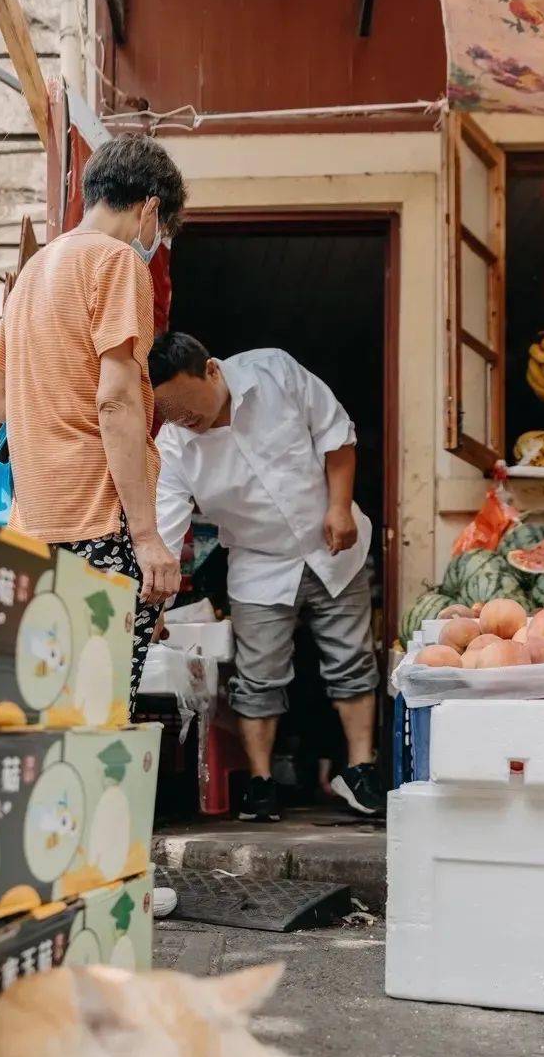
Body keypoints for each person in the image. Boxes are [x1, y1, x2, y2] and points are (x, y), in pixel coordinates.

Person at [0, 135, 187, 711]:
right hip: (97, 521)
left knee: (47, 703)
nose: (155, 244)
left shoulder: (37, 270)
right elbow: (117, 402)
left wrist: (50, 408)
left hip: (33, 524)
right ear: (150, 209)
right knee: (99, 710)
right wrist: (146, 537)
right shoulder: (116, 263)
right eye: (160, 232)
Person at [150, 332, 382, 822]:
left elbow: (336, 434)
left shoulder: (274, 371)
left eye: (189, 408)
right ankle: (259, 784)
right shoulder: (173, 448)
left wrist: (340, 506)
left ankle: (361, 769)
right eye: (170, 414)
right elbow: (166, 540)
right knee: (259, 677)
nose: (184, 421)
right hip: (258, 564)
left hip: (333, 543)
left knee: (351, 658)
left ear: (211, 370)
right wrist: (153, 608)